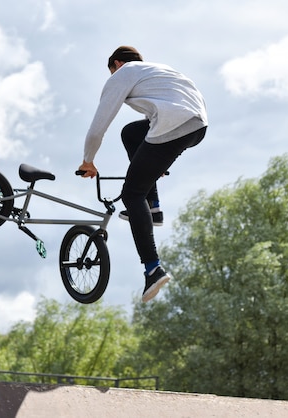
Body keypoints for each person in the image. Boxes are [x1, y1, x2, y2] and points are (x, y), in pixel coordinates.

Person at [78, 46, 208, 302]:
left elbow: (98, 127)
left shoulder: (122, 74)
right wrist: (156, 161)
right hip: (198, 125)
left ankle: (152, 268)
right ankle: (154, 206)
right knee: (131, 133)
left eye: (111, 71)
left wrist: (88, 161)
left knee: (131, 193)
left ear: (116, 64)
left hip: (173, 125)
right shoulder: (159, 70)